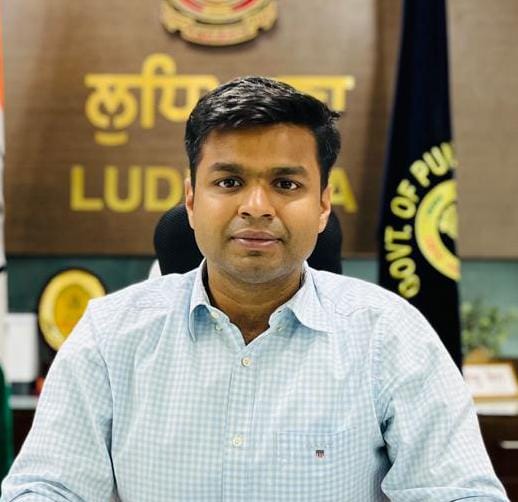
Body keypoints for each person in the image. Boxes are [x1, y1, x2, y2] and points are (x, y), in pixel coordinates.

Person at [1, 77, 508, 501]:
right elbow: (46, 488)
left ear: (324, 205)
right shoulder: (111, 334)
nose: (257, 207)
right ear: (191, 200)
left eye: (286, 184)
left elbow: (461, 493)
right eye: (229, 182)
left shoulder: (389, 335)